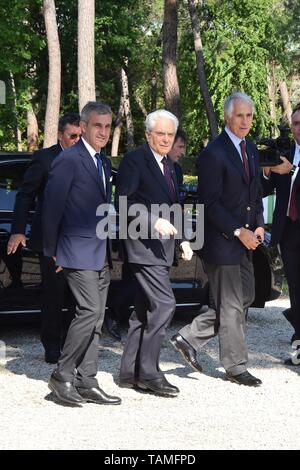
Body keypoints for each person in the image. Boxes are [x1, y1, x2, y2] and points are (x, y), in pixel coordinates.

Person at [171, 92, 264, 387]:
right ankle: (236, 366)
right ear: (227, 117)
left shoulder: (250, 149)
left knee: (246, 296)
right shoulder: (214, 153)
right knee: (234, 305)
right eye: (240, 116)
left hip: (248, 239)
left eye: (249, 116)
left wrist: (259, 225)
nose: (245, 121)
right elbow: (210, 204)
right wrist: (239, 231)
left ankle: (189, 337)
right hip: (223, 241)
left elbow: (256, 192)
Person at [42, 101, 121, 406]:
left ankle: (87, 381)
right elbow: (51, 208)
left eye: (107, 126)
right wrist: (53, 253)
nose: (103, 131)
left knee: (97, 317)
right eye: (97, 126)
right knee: (88, 311)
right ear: (85, 127)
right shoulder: (69, 160)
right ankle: (62, 376)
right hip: (74, 251)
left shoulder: (102, 162)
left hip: (99, 252)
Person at [116, 109, 193, 397]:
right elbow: (123, 203)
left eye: (170, 134)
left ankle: (129, 372)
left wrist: (184, 239)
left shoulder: (172, 166)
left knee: (144, 311)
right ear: (149, 134)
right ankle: (149, 372)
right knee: (164, 305)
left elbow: (175, 208)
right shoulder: (134, 160)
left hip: (162, 249)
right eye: (160, 133)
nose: (165, 139)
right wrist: (153, 221)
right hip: (142, 247)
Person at [7, 113, 81, 364]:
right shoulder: (44, 158)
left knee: (78, 296)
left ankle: (74, 345)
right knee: (53, 294)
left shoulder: (86, 158)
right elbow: (25, 195)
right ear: (60, 134)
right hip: (50, 240)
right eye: (72, 136)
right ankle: (52, 345)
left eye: (80, 136)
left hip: (78, 240)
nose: (76, 140)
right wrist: (18, 230)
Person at [262, 105, 300, 366]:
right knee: (295, 289)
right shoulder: (284, 154)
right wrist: (267, 171)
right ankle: (298, 346)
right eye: (296, 123)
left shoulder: (291, 163)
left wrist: (293, 171)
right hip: (288, 231)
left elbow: (292, 175)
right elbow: (266, 189)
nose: (298, 128)